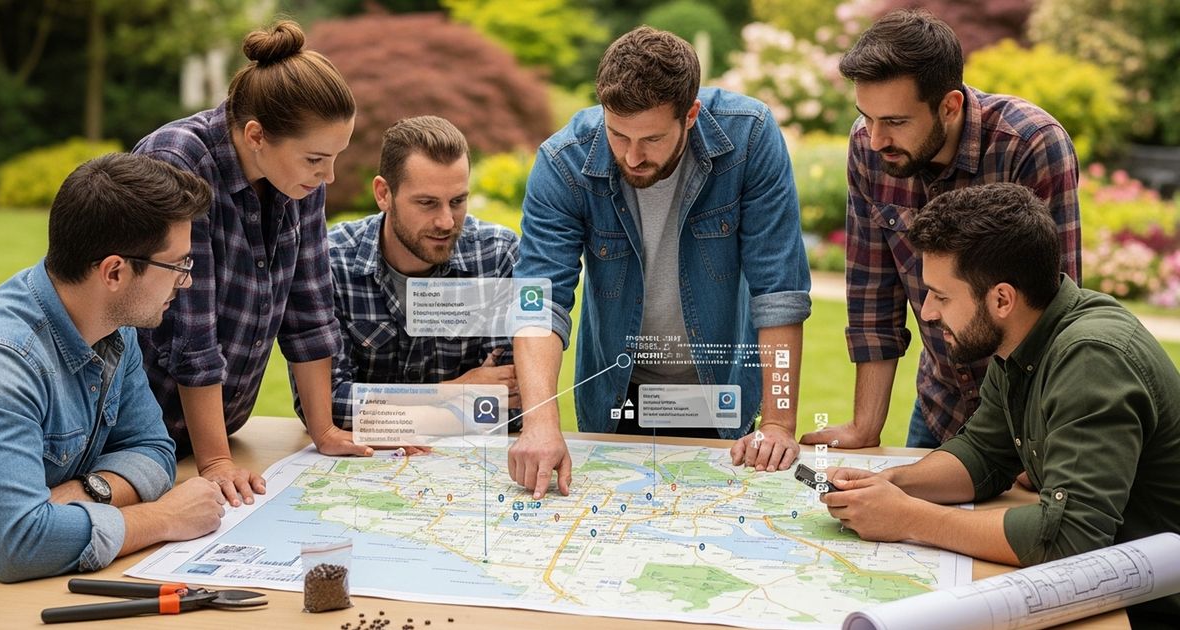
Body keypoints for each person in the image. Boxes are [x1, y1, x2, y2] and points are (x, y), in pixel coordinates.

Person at [821, 183, 1180, 627]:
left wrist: (909, 519)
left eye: (943, 295)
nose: (929, 312)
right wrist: (890, 485)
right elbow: (983, 454)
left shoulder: (1091, 358)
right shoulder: (1026, 338)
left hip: (1149, 608)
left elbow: (1070, 539)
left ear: (1002, 299)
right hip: (1105, 595)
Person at [510, 26, 812, 500]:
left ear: (690, 114)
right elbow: (539, 302)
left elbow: (778, 293)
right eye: (617, 133)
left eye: (651, 138)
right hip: (617, 394)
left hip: (720, 392)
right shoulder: (563, 162)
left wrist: (778, 421)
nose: (632, 155)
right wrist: (540, 423)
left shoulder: (749, 137)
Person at [800, 9, 1081, 451]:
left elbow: (1056, 309)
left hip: (1028, 419)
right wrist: (865, 426)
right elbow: (873, 295)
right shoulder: (868, 148)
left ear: (949, 106)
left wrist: (1042, 440)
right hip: (942, 406)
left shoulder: (1030, 145)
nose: (874, 139)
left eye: (894, 122)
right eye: (866, 117)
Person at [134, 20, 365, 508]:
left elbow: (311, 309)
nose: (329, 175)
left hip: (220, 433)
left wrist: (324, 430)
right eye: (316, 159)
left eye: (335, 158)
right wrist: (215, 461)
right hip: (138, 436)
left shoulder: (296, 181)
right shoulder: (179, 161)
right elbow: (189, 332)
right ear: (257, 134)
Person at [0, 153, 228, 583]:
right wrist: (164, 517)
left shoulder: (112, 326)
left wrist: (87, 493)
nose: (185, 282)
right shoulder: (1, 362)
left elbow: (153, 449)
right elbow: (15, 545)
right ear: (114, 271)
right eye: (177, 266)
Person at [311, 115, 520, 431]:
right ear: (384, 194)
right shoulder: (332, 262)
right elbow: (325, 405)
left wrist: (383, 410)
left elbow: (512, 402)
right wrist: (455, 390)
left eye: (458, 201)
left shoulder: (497, 255)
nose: (447, 221)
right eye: (427, 203)